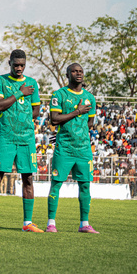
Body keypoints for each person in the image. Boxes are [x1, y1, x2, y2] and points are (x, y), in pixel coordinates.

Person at [0, 49, 43, 232]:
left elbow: (36, 111)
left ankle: (27, 223)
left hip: (26, 138)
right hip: (6, 137)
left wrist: (22, 119)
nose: (19, 68)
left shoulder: (32, 83)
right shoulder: (0, 81)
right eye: (16, 65)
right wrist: (19, 93)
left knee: (28, 178)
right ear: (9, 63)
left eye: (22, 65)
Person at [47, 63, 98, 233]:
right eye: (74, 71)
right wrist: (77, 112)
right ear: (67, 75)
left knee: (85, 185)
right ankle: (51, 223)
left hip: (83, 149)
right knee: (56, 184)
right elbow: (54, 119)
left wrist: (79, 129)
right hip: (64, 147)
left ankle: (84, 224)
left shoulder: (90, 98)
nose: (78, 73)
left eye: (80, 71)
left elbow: (90, 123)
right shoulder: (59, 95)